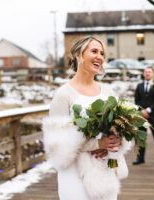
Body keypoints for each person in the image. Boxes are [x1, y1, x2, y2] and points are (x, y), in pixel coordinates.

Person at [42, 36, 131, 200]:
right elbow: (57, 146)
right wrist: (96, 143)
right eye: (94, 51)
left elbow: (119, 127)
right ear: (78, 55)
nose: (100, 57)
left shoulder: (108, 93)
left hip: (105, 171)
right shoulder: (64, 95)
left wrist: (116, 139)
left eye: (102, 53)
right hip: (74, 174)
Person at [132, 67, 154, 166]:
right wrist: (141, 110)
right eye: (146, 72)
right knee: (141, 137)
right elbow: (136, 100)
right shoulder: (139, 86)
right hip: (142, 116)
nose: (147, 73)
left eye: (149, 72)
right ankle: (140, 158)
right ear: (143, 74)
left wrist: (149, 110)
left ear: (153, 74)